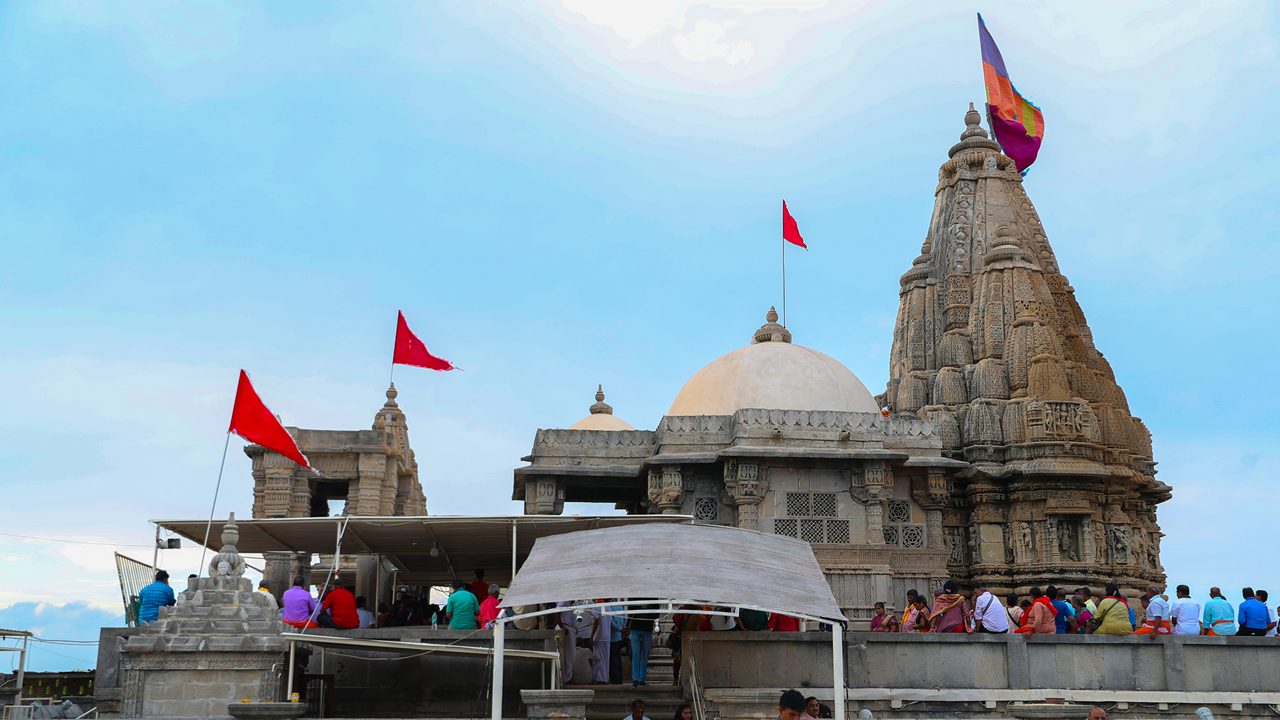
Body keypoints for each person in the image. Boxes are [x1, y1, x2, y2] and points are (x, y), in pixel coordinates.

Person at [628, 602, 655, 687]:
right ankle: (640, 678)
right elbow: (656, 613)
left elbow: (630, 609)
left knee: (636, 654)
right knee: (643, 655)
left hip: (637, 626)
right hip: (646, 627)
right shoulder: (653, 596)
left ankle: (636, 678)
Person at [590, 600, 612, 684]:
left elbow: (596, 621)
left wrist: (592, 636)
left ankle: (600, 678)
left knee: (598, 659)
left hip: (599, 636)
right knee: (606, 659)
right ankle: (605, 677)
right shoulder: (609, 607)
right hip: (607, 636)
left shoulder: (597, 607)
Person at [608, 600, 626, 684]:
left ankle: (614, 678)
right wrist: (622, 629)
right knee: (618, 658)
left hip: (612, 636)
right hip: (619, 636)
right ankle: (619, 678)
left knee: (613, 659)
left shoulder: (609, 607)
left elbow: (612, 623)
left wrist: (619, 628)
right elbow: (625, 620)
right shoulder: (621, 607)